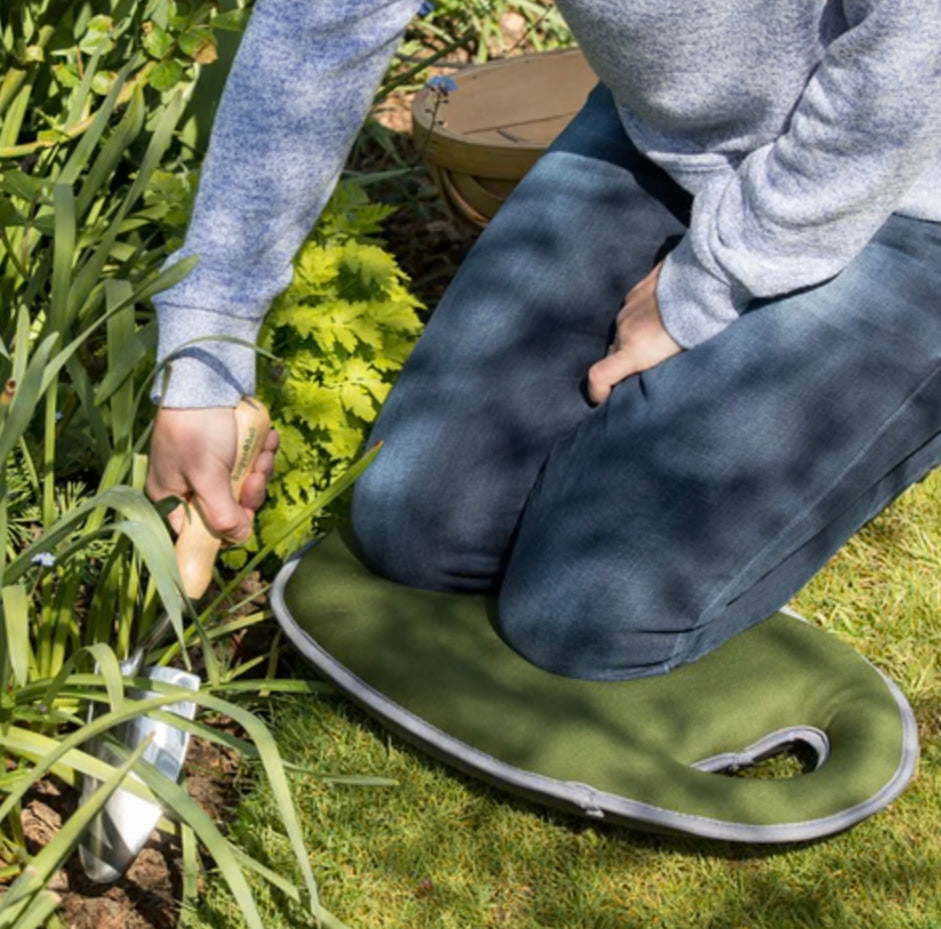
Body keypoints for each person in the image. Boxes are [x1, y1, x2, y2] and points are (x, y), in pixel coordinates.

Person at [146, 0, 941, 680]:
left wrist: (709, 283)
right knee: (411, 520)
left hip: (912, 176)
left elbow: (909, 58)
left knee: (588, 611)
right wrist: (205, 356)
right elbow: (317, 32)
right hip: (678, 133)